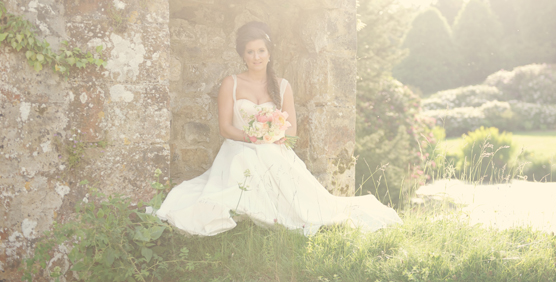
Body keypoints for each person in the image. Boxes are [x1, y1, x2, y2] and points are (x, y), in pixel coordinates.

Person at [155, 21, 402, 236]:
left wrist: (273, 136)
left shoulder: (282, 86)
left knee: (278, 164)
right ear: (243, 55)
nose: (256, 57)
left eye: (261, 50)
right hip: (238, 147)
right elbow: (225, 128)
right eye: (250, 52)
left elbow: (291, 130)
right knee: (245, 157)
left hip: (273, 147)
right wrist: (251, 137)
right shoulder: (230, 83)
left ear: (269, 53)